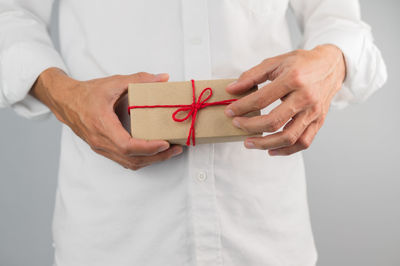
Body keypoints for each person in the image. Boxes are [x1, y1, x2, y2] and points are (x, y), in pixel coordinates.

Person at [0, 0, 386, 265]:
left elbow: (340, 21)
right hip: (115, 235)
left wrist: (334, 59)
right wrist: (62, 93)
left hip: (264, 231)